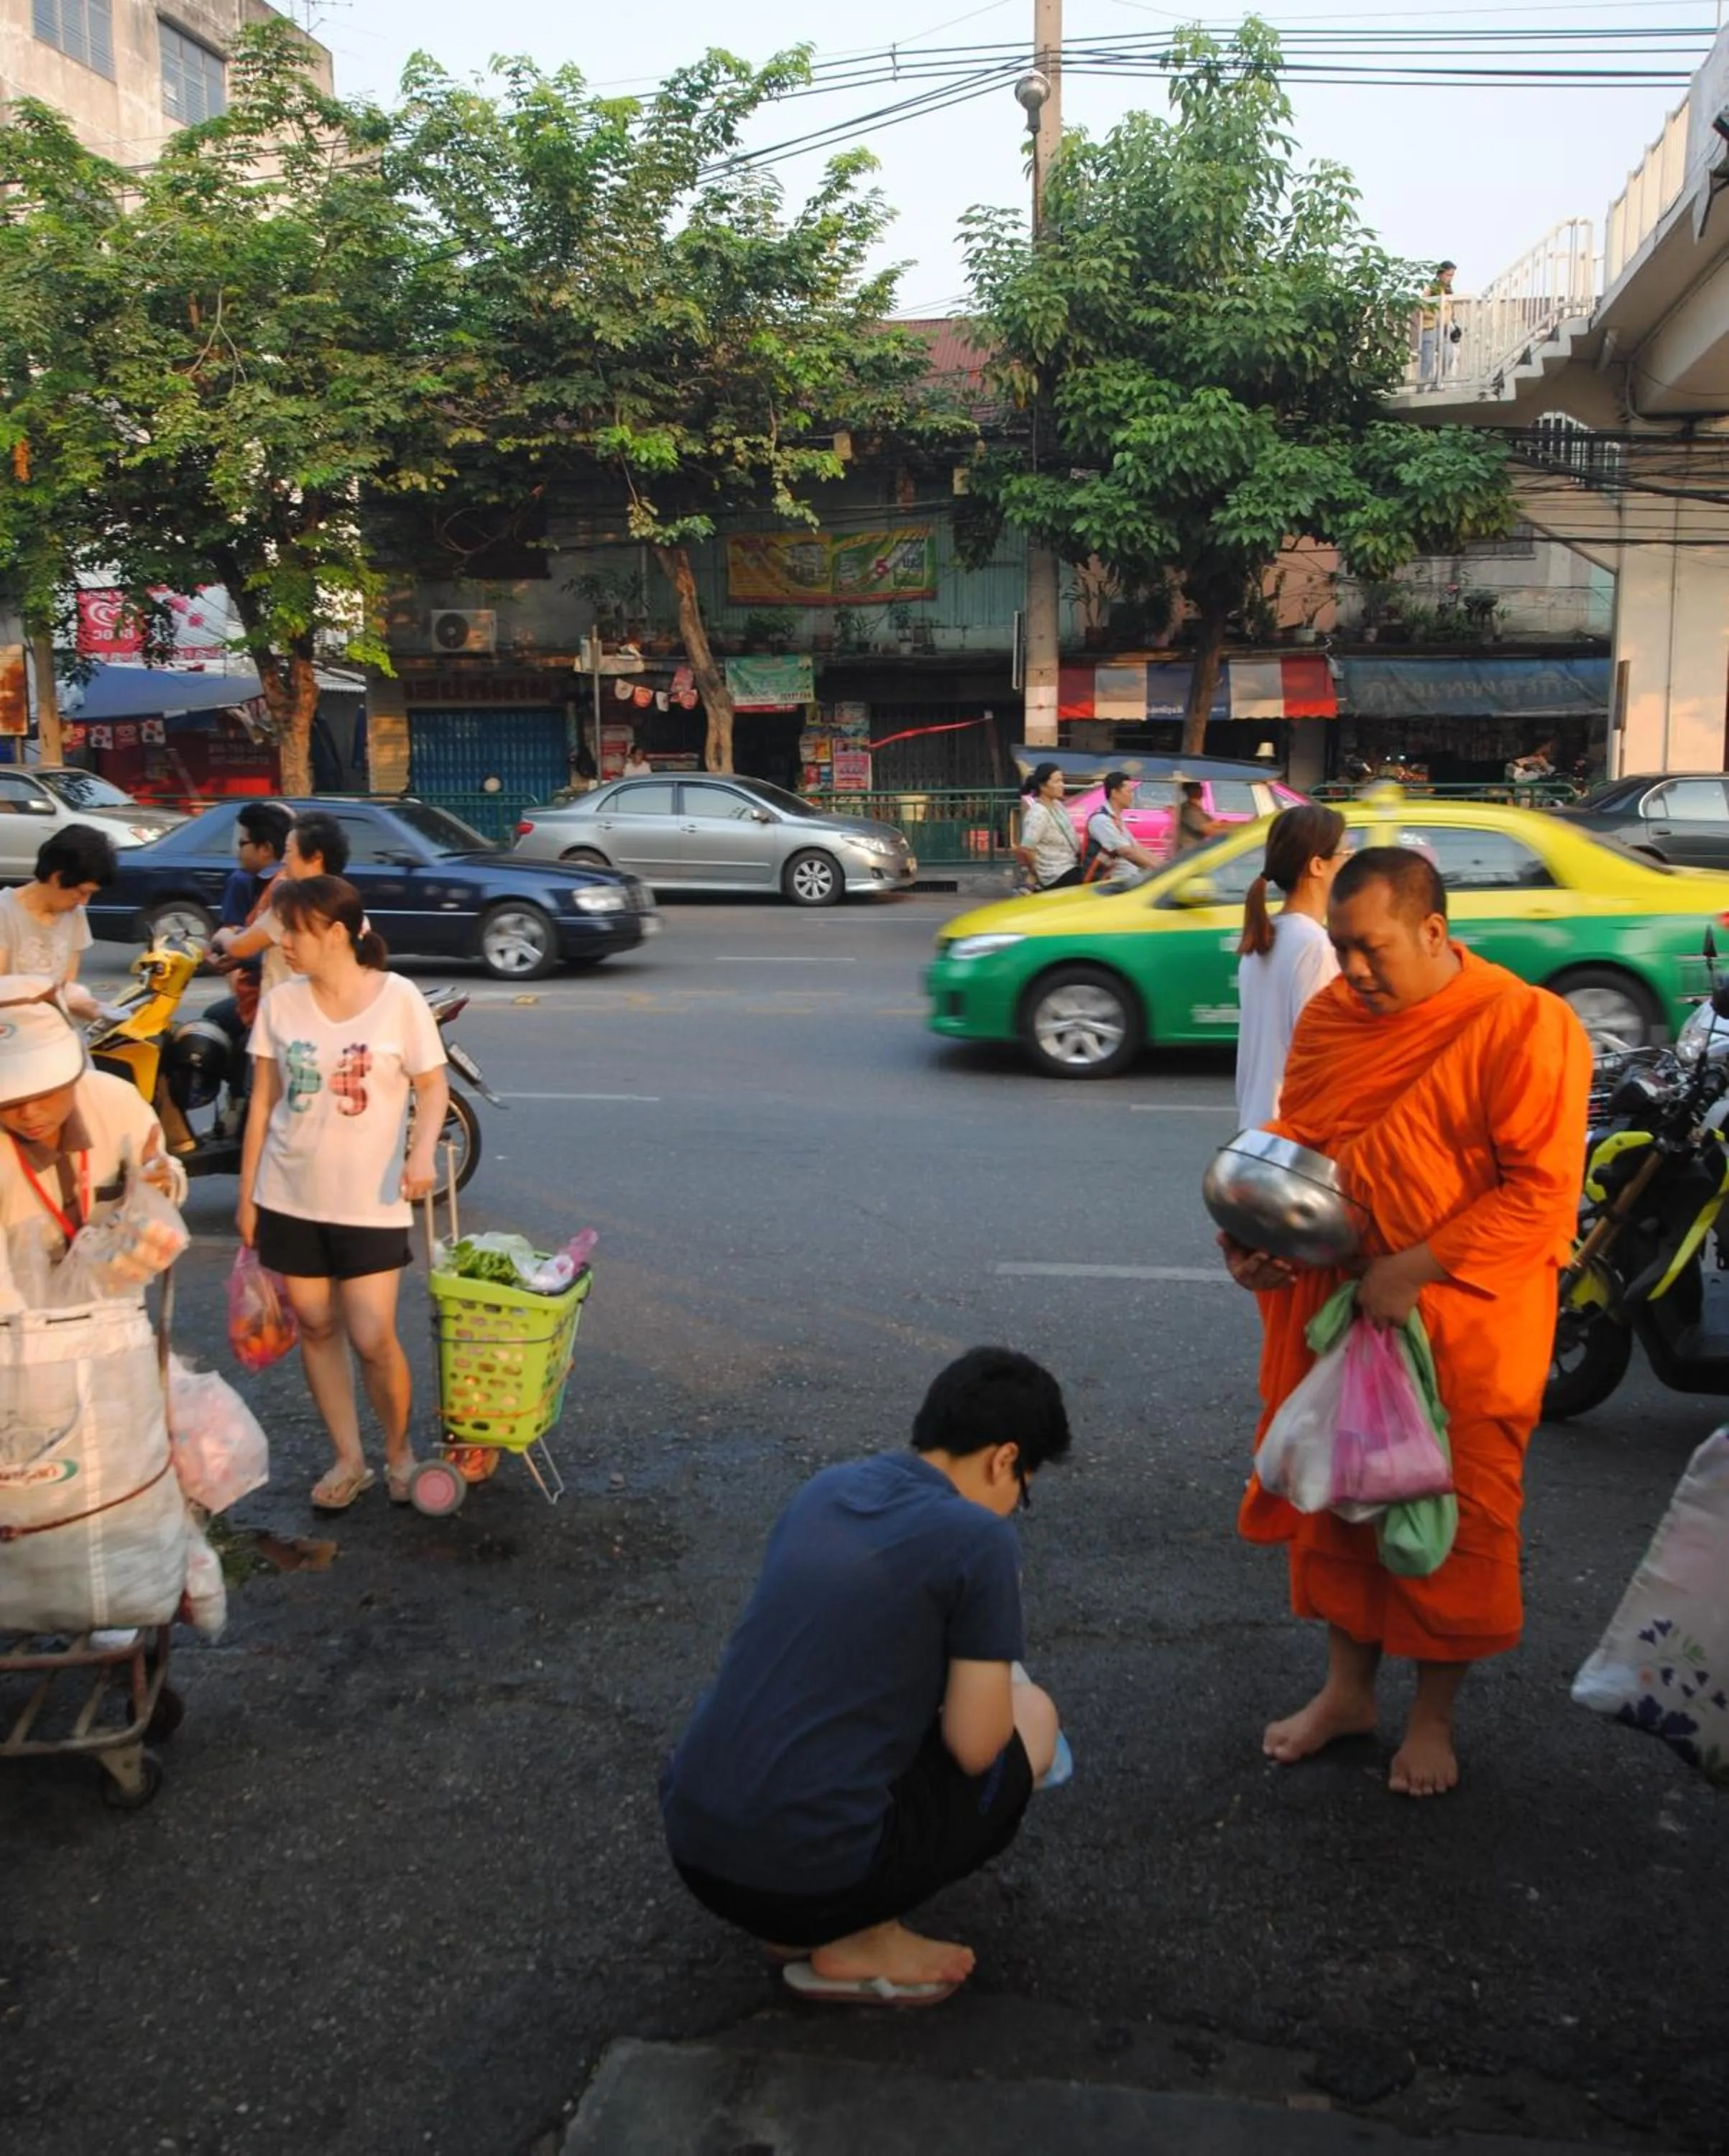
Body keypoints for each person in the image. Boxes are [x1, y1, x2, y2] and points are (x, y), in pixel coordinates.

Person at [1220, 848, 1590, 1797]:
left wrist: (1412, 1271)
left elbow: (1539, 1198)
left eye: (1371, 950)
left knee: (1447, 1514)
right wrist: (1259, 1243)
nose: (1350, 972)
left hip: (1465, 1317)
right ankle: (1347, 1692)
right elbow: (1299, 1154)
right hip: (1342, 1300)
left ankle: (1432, 1720)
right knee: (1339, 1500)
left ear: (1432, 931)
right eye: (1339, 949)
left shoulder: (1521, 1025)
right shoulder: (1333, 1020)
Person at [660, 1347, 1071, 2004]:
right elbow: (974, 1747)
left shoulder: (827, 1488)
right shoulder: (980, 1539)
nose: (1015, 1503)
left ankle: (794, 1919)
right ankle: (860, 1935)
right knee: (1034, 1717)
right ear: (1004, 1459)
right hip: (808, 1875)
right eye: (1024, 1487)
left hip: (696, 1846)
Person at [236, 876, 448, 1512]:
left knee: (372, 1332)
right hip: (290, 1192)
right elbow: (263, 1105)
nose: (283, 944)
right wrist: (248, 1197)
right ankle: (349, 1457)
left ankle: (399, 1450)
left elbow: (432, 1087)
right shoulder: (281, 1003)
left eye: (292, 932)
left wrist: (419, 1153)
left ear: (334, 933)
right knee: (317, 1324)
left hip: (370, 1199)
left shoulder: (398, 998)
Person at [0, 976, 183, 1272]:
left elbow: (166, 1175)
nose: (30, 1113)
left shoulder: (116, 1101)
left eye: (45, 1092)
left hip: (110, 1298)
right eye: (9, 1100)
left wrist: (161, 1183)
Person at [1234, 804, 1348, 1130]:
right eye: (1344, 853)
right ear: (1318, 866)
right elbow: (1320, 1059)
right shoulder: (1315, 946)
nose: (1347, 863)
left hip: (1258, 1130)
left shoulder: (1266, 937)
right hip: (1291, 1137)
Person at [209, 809, 350, 999]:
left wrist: (224, 935)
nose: (283, 860)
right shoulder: (346, 898)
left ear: (316, 857)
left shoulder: (292, 903)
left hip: (286, 1012)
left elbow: (239, 947)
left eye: (289, 851)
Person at [206, 802, 295, 1095]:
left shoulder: (284, 890)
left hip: (273, 1004)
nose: (288, 859)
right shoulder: (282, 884)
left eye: (292, 852)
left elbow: (243, 944)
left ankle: (240, 1107)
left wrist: (225, 945)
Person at [0, 824, 117, 1022]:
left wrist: (86, 1006)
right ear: (57, 878)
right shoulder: (4, 911)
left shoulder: (75, 915)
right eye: (82, 892)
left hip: (55, 1032)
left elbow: (67, 986)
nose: (84, 902)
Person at [1083, 773, 1161, 887]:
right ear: (1115, 793)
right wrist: (1156, 869)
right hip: (1111, 885)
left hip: (1127, 880)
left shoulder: (1116, 820)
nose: (1132, 796)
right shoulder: (1101, 821)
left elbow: (1137, 848)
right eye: (1128, 792)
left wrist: (1165, 867)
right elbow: (1126, 852)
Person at [1013, 764, 1081, 892]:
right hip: (1055, 873)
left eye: (1062, 781)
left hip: (1071, 865)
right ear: (1043, 786)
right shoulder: (1038, 813)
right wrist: (1035, 873)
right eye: (1057, 781)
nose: (1062, 785)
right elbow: (1026, 849)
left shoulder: (1058, 806)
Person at [1418, 261, 1460, 384]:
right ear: (1440, 274)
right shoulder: (1431, 288)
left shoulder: (1449, 290)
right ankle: (1421, 387)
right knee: (1428, 360)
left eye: (1452, 275)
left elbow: (1450, 310)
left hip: (1445, 328)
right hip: (1430, 327)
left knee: (1449, 356)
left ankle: (1437, 382)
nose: (1450, 278)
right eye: (1448, 275)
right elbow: (1421, 305)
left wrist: (1453, 323)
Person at [1172, 781, 1225, 856]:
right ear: (1189, 790)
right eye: (1197, 788)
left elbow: (1216, 824)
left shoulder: (1196, 809)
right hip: (1189, 854)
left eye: (1200, 788)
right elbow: (1209, 830)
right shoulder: (1189, 810)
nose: (1200, 790)